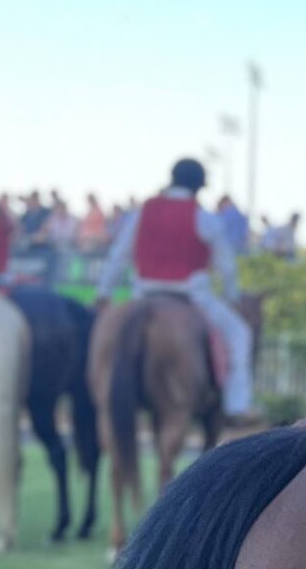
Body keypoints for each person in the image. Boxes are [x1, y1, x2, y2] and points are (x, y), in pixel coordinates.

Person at [98, 158, 257, 417]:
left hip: (143, 293)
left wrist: (104, 293)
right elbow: (227, 267)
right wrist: (231, 297)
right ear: (198, 186)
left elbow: (118, 255)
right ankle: (237, 406)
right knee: (240, 335)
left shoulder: (143, 211)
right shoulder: (203, 217)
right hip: (191, 295)